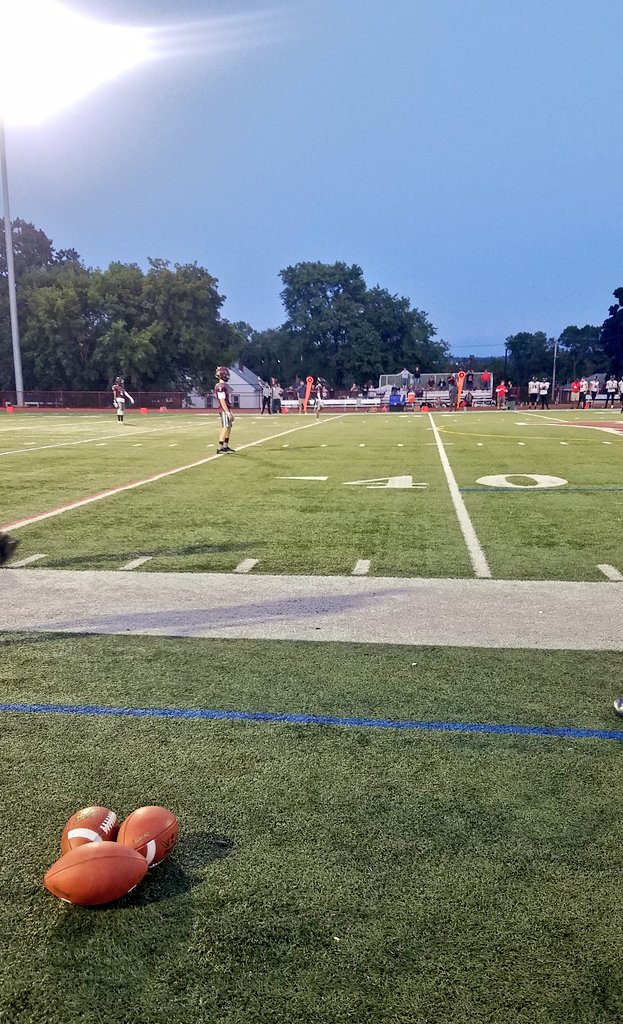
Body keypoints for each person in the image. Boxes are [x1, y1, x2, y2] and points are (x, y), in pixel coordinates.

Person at [214, 366, 235, 453]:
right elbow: (222, 400)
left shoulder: (223, 386)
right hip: (223, 409)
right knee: (225, 427)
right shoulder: (220, 386)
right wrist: (227, 412)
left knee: (229, 427)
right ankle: (220, 447)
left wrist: (230, 411)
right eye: (225, 374)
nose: (227, 376)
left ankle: (225, 445)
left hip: (226, 408)